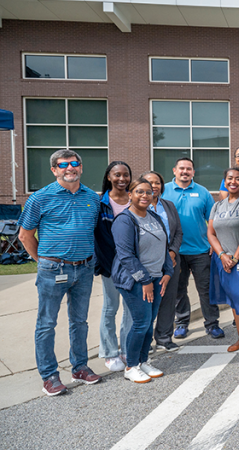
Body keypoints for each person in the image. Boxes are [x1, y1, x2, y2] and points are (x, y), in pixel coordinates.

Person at [18, 149, 102, 396]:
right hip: (53, 269)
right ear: (54, 169)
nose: (70, 168)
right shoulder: (40, 198)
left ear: (81, 168)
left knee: (80, 321)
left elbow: (94, 232)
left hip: (84, 268)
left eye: (74, 163)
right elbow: (25, 235)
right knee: (46, 323)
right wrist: (44, 261)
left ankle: (80, 367)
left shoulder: (93, 198)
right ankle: (49, 375)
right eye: (63, 164)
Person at [111, 179, 174, 383]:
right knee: (140, 323)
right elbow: (126, 255)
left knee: (149, 323)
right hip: (137, 280)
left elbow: (164, 246)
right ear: (130, 194)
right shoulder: (124, 220)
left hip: (157, 277)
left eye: (148, 192)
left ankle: (143, 360)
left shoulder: (153, 216)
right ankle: (131, 366)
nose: (145, 195)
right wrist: (145, 280)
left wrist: (167, 272)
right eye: (139, 192)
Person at [162, 158, 222, 339]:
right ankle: (181, 323)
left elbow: (213, 221)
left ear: (193, 172)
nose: (185, 172)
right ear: (174, 170)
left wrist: (214, 243)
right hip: (175, 252)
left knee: (205, 289)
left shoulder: (202, 192)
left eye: (188, 169)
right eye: (181, 168)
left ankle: (212, 324)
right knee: (179, 290)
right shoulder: (164, 191)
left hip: (200, 251)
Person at [208, 167, 239, 358]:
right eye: (230, 178)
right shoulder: (217, 206)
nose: (233, 182)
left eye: (238, 179)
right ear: (225, 181)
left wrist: (235, 257)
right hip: (223, 260)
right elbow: (211, 233)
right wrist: (222, 255)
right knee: (234, 300)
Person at [94, 161, 133, 372]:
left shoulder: (135, 199)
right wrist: (107, 264)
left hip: (134, 264)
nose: (122, 179)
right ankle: (109, 352)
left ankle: (126, 349)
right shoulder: (100, 203)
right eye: (117, 175)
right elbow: (98, 238)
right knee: (110, 308)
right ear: (109, 176)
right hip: (110, 265)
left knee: (130, 309)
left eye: (126, 175)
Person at [142, 171, 184, 352]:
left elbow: (178, 232)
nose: (154, 186)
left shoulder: (169, 205)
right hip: (148, 261)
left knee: (168, 298)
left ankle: (164, 337)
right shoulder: (138, 207)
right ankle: (145, 340)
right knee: (147, 300)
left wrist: (173, 253)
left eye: (157, 182)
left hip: (171, 261)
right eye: (149, 182)